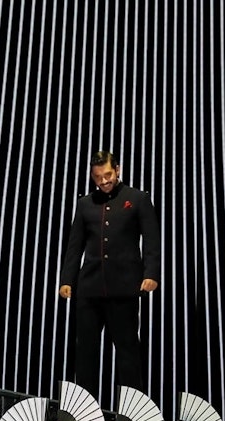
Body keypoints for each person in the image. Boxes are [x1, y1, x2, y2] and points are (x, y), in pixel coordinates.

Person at [59, 150, 161, 397]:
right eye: (97, 177)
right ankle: (84, 417)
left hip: (124, 289)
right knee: (85, 356)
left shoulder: (137, 199)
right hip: (89, 290)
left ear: (118, 169)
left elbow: (151, 240)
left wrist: (151, 273)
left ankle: (132, 418)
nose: (103, 181)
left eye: (107, 175)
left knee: (128, 355)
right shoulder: (85, 204)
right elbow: (75, 246)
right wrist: (66, 280)